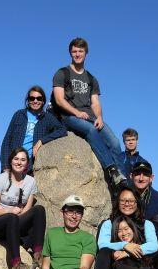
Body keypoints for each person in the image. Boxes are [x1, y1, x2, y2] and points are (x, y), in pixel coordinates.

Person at [51, 37, 126, 187]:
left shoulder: (91, 78)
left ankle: (123, 182)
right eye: (74, 51)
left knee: (115, 143)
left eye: (81, 51)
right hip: (69, 116)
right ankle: (111, 169)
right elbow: (59, 100)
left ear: (86, 53)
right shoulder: (62, 73)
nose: (77, 54)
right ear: (70, 53)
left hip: (90, 116)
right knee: (91, 130)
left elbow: (95, 102)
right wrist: (76, 112)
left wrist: (99, 117)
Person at [0, 148, 46, 269]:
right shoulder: (2, 179)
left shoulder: (30, 182)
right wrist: (9, 210)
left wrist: (17, 214)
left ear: (27, 164)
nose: (19, 162)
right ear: (11, 161)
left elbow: (27, 209)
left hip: (14, 221)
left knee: (39, 209)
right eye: (16, 159)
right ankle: (17, 265)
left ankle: (38, 254)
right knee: (11, 217)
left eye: (23, 160)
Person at [93, 185, 158, 269]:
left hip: (139, 264)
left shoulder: (146, 224)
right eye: (123, 200)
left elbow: (153, 245)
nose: (127, 204)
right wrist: (125, 245)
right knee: (104, 252)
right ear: (117, 202)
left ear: (137, 202)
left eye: (131, 200)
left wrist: (127, 252)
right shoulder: (108, 223)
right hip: (116, 267)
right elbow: (102, 244)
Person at [0, 86, 67, 173]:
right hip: (12, 164)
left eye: (39, 98)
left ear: (43, 101)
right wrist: (5, 166)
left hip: (29, 168)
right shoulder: (19, 115)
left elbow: (62, 130)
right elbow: (7, 140)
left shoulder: (47, 118)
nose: (35, 101)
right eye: (32, 98)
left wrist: (41, 141)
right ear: (28, 101)